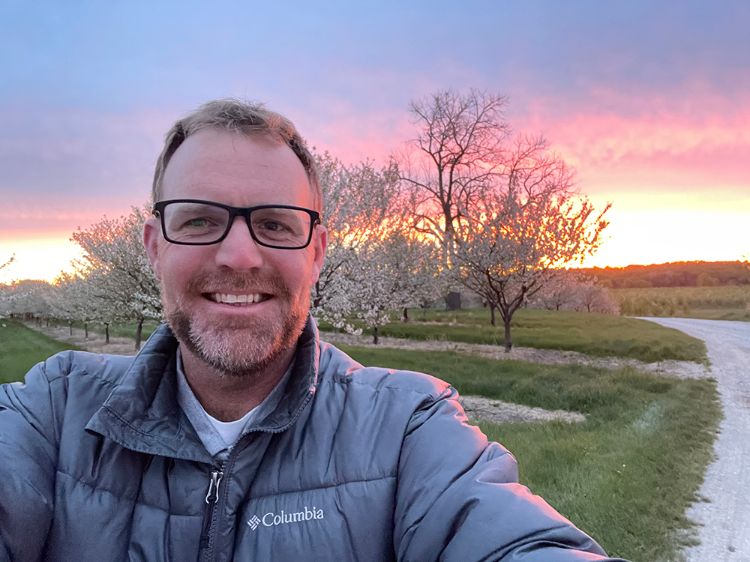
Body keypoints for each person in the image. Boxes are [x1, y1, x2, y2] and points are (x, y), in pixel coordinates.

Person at [0, 99, 626, 561]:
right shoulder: (53, 411)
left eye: (275, 224)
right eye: (197, 221)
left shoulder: (408, 428)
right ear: (154, 246)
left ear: (319, 252)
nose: (240, 256)